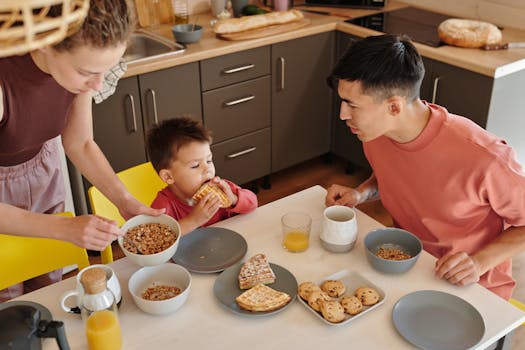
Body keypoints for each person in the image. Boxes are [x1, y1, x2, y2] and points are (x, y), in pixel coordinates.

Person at [325, 34, 525, 300]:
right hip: (405, 262)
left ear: (394, 106)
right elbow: (397, 171)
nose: (343, 114)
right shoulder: (377, 132)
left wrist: (478, 262)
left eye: (352, 104)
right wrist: (362, 193)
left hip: (472, 286)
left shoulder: (485, 157)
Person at [0, 0, 163, 300]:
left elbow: (80, 142)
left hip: (43, 170)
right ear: (46, 44)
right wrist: (63, 229)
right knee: (10, 299)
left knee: (48, 286)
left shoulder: (78, 78)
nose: (98, 84)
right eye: (86, 72)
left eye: (106, 70)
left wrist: (124, 201)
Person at [147, 117, 258, 235]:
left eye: (209, 161)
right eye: (195, 165)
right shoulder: (163, 206)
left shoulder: (224, 189)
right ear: (168, 177)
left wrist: (234, 200)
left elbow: (253, 203)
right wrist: (193, 221)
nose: (207, 169)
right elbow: (156, 241)